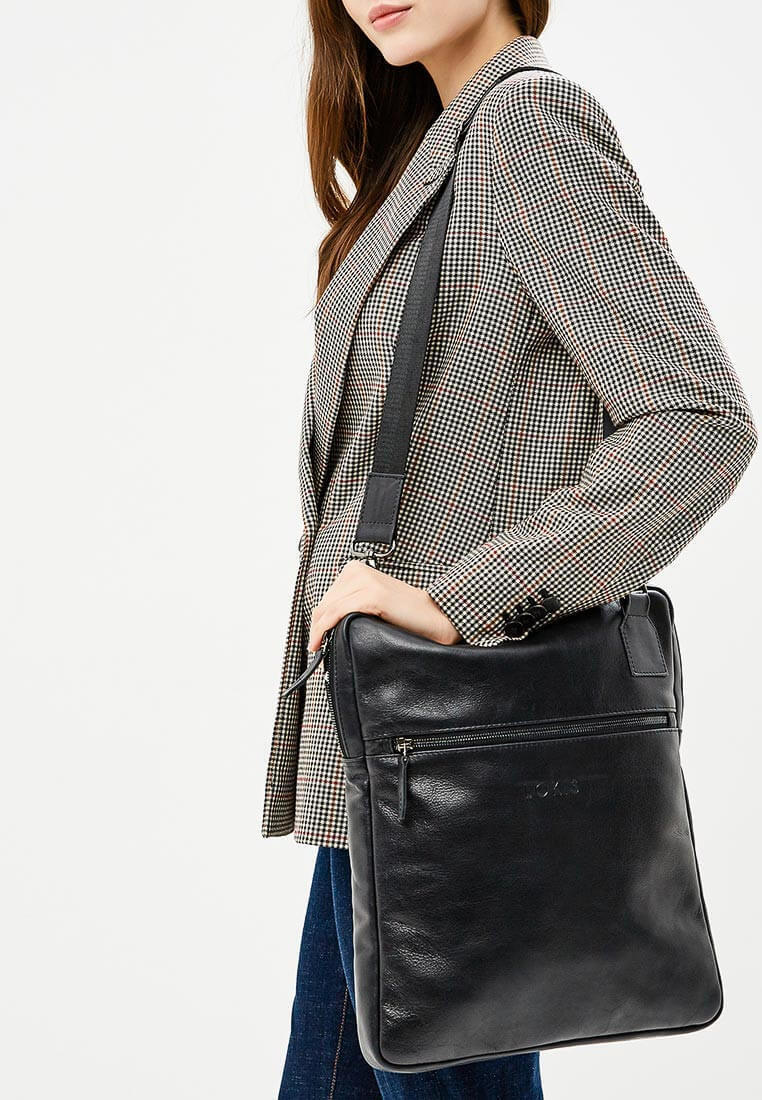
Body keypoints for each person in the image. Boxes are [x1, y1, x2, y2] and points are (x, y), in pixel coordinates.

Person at [264, 2, 757, 1096]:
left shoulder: (527, 128)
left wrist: (461, 600)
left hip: (458, 758)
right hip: (391, 763)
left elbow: (698, 423)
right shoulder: (433, 155)